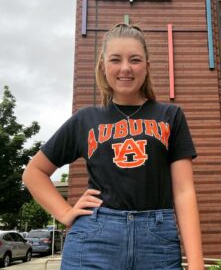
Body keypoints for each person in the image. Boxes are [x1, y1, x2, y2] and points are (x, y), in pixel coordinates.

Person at [22, 23, 204, 270]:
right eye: (116, 59)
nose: (126, 68)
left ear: (147, 67)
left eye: (135, 59)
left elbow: (184, 192)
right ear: (103, 66)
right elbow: (34, 173)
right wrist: (64, 212)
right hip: (94, 240)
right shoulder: (85, 119)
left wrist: (196, 264)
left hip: (157, 242)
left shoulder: (171, 115)